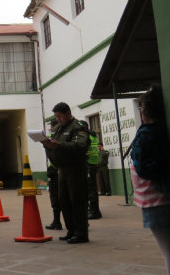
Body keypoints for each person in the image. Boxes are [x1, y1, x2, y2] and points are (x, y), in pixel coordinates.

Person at [131, 85, 170, 275]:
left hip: (154, 198)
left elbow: (144, 167)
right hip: (162, 194)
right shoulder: (161, 130)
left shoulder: (147, 133)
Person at [41, 102, 90, 244]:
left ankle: (81, 233)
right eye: (56, 117)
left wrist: (59, 145)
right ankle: (71, 230)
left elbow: (80, 146)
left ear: (68, 113)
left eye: (60, 116)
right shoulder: (57, 128)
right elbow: (53, 143)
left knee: (77, 201)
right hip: (61, 169)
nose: (58, 119)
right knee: (64, 201)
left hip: (75, 168)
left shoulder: (78, 127)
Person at [81, 121, 102, 220]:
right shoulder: (93, 136)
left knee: (91, 190)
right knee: (92, 189)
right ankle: (94, 210)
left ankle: (94, 212)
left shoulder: (86, 137)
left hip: (88, 165)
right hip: (93, 164)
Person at [45, 118, 62, 230]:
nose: (50, 129)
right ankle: (56, 221)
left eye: (51, 127)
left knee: (56, 197)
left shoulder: (56, 139)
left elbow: (53, 155)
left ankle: (57, 222)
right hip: (57, 170)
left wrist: (46, 145)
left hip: (57, 171)